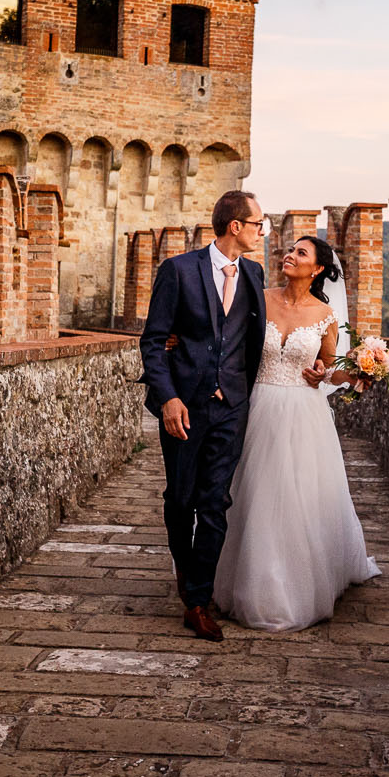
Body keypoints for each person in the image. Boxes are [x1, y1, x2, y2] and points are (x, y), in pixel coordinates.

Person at [210, 235, 381, 632]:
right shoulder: (259, 297)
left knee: (295, 498)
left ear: (318, 268)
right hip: (256, 407)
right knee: (251, 492)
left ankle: (285, 590)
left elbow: (330, 369)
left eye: (301, 253)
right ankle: (237, 579)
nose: (289, 255)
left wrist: (342, 372)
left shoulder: (325, 315)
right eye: (289, 249)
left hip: (303, 413)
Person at [140, 190, 267, 642]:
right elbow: (153, 341)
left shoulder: (254, 273)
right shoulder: (178, 270)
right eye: (257, 224)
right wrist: (169, 397)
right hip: (184, 407)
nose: (261, 231)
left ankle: (197, 599)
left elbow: (253, 340)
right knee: (180, 500)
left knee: (215, 503)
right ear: (235, 225)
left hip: (231, 406)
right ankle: (187, 574)